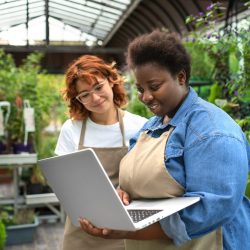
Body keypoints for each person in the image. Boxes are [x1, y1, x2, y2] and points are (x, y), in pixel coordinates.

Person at [79, 30, 250, 250]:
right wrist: (122, 194)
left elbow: (210, 209)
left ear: (181, 77)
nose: (146, 97)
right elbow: (136, 180)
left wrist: (128, 229)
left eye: (154, 86)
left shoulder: (213, 131)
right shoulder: (151, 126)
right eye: (140, 89)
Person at [55, 54, 147, 250]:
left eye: (98, 87)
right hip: (82, 231)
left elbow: (148, 179)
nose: (95, 98)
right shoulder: (71, 129)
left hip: (125, 230)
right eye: (85, 94)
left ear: (111, 81)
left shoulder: (139, 127)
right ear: (77, 99)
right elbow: (63, 183)